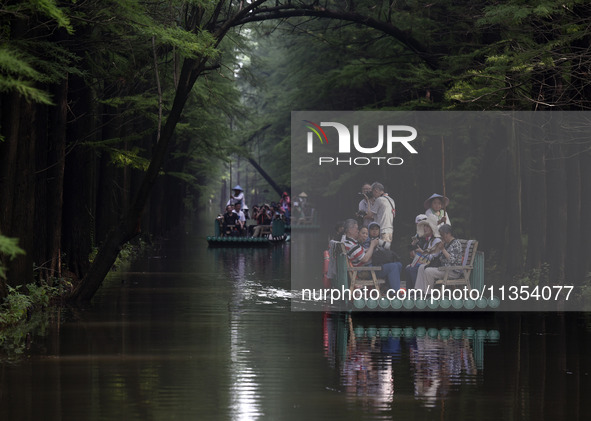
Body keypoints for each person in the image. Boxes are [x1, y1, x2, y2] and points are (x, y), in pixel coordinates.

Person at [342, 219, 402, 291]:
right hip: (364, 271)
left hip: (367, 268)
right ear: (350, 230)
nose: (358, 231)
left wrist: (372, 248)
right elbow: (365, 259)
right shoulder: (351, 245)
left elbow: (362, 252)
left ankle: (390, 291)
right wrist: (372, 245)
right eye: (356, 229)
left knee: (398, 264)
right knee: (393, 267)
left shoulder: (350, 242)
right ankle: (396, 294)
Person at [415, 224, 463, 293]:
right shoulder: (446, 243)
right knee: (422, 267)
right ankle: (419, 291)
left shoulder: (456, 244)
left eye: (443, 235)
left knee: (428, 271)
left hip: (452, 271)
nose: (442, 237)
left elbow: (452, 260)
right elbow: (439, 256)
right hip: (444, 268)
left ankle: (428, 294)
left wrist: (443, 249)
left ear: (448, 233)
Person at [405, 214, 442, 289]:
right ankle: (410, 292)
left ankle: (418, 292)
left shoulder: (437, 240)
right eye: (425, 226)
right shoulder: (427, 239)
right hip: (427, 262)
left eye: (427, 226)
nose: (425, 228)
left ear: (432, 228)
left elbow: (432, 257)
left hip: (434, 264)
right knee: (408, 268)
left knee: (414, 268)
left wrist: (422, 252)